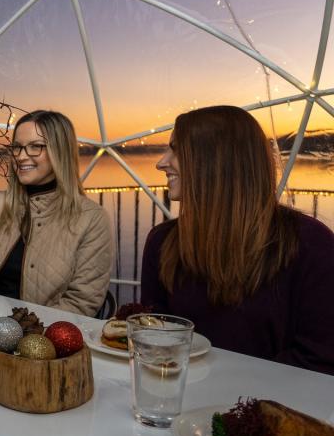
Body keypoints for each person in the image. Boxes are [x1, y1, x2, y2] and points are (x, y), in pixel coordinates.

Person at [140, 105, 334, 375]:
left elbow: (319, 360)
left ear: (217, 161)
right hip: (179, 400)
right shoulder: (163, 242)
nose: (161, 162)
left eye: (177, 150)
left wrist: (230, 400)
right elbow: (153, 335)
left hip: (270, 410)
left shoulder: (309, 245)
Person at [0, 110, 114, 317]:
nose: (22, 156)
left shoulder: (91, 219)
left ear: (60, 152)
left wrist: (26, 334)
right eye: (17, 147)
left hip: (43, 341)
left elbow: (81, 303)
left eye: (36, 147)